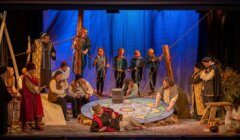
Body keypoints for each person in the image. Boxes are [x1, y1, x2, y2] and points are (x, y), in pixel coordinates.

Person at [20, 62, 44, 131]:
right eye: (33, 69)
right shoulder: (26, 77)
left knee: (36, 109)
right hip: (28, 96)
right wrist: (37, 90)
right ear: (30, 69)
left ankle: (37, 124)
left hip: (35, 96)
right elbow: (30, 87)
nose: (34, 70)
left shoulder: (33, 76)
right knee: (27, 110)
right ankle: (24, 126)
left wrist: (39, 86)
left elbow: (37, 84)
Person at [0, 65, 12, 135]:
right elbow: (5, 93)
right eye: (5, 73)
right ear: (3, 73)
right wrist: (10, 97)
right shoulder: (1, 82)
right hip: (2, 104)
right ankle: (2, 130)